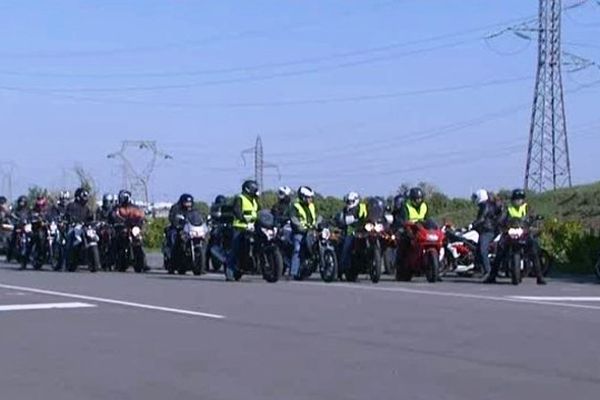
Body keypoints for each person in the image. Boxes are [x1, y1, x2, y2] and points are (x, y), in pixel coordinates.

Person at [484, 189, 546, 285]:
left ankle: (539, 277)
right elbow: (502, 217)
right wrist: (498, 222)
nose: (518, 201)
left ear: (523, 200)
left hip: (524, 232)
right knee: (500, 250)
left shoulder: (527, 208)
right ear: (512, 200)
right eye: (516, 199)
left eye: (520, 199)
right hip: (509, 232)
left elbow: (532, 216)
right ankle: (492, 276)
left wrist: (533, 221)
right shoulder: (508, 208)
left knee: (534, 250)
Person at [226, 180, 260, 281]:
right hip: (240, 227)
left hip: (252, 227)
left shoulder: (254, 200)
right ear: (249, 189)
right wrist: (244, 219)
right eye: (255, 189)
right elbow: (237, 211)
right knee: (235, 250)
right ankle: (230, 273)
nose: (256, 191)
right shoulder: (240, 198)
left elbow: (260, 211)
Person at [289, 186, 317, 280]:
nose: (310, 199)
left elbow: (316, 217)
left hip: (311, 231)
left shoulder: (312, 205)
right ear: (303, 197)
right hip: (299, 232)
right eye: (308, 197)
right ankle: (294, 271)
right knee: (297, 248)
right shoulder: (295, 206)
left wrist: (320, 222)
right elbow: (294, 219)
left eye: (311, 197)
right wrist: (301, 227)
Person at [337, 192, 368, 274]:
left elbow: (371, 215)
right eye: (347, 201)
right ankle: (343, 266)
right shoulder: (345, 210)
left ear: (355, 201)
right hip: (351, 232)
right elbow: (342, 220)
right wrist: (342, 222)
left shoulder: (363, 207)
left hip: (365, 230)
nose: (348, 203)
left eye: (350, 201)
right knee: (347, 244)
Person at [470, 189, 498, 279]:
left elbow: (482, 219)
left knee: (483, 250)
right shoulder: (484, 205)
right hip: (484, 230)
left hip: (487, 231)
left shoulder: (485, 206)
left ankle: (488, 271)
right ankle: (478, 269)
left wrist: (472, 225)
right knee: (478, 250)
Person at [6, 196, 30, 261]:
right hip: (18, 226)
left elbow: (31, 216)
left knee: (31, 237)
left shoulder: (27, 210)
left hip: (25, 227)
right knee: (13, 238)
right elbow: (11, 214)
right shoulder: (16, 210)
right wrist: (13, 217)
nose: (21, 203)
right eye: (20, 202)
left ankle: (30, 253)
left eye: (23, 202)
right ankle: (9, 255)